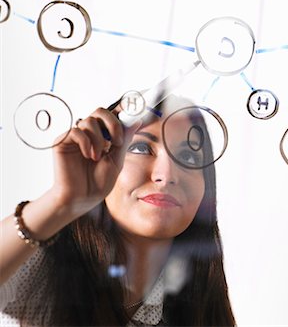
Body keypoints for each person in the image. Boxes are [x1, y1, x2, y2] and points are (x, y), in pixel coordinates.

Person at [0, 95, 236, 326]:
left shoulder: (198, 310)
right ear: (98, 156)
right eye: (142, 148)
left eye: (187, 156)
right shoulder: (45, 265)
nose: (166, 176)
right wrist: (62, 201)